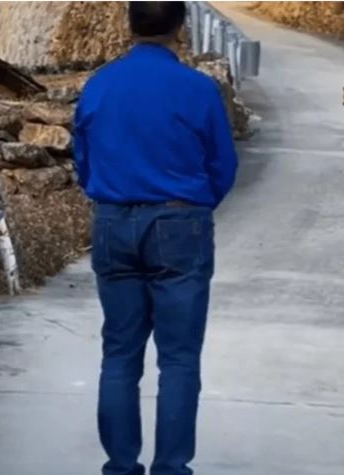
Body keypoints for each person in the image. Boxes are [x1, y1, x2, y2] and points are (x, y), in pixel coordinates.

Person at [72, 2, 238, 474]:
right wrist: (193, 208)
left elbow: (82, 159)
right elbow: (222, 165)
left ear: (130, 24)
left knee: (120, 352)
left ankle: (121, 466)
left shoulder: (99, 84)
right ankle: (171, 467)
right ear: (181, 27)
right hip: (178, 222)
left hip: (112, 220)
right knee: (179, 358)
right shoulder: (197, 89)